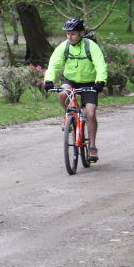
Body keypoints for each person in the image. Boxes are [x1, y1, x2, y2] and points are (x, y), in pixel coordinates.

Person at [43, 18, 107, 162]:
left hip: (90, 83)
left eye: (73, 34)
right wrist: (48, 80)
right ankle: (69, 116)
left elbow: (100, 64)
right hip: (71, 81)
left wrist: (100, 81)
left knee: (90, 114)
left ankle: (92, 146)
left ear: (81, 33)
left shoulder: (90, 46)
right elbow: (53, 64)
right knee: (62, 95)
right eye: (67, 34)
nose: (69, 37)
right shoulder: (64, 47)